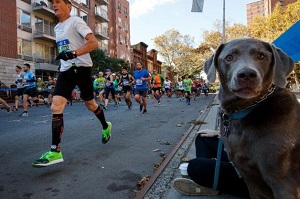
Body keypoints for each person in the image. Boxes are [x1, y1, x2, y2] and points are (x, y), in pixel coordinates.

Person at [32, 0, 111, 168]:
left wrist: (74, 54)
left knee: (89, 103)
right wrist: (64, 56)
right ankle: (55, 150)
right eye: (52, 2)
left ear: (68, 6)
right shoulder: (56, 27)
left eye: (58, 1)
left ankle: (105, 125)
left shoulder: (76, 21)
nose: (54, 4)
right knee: (56, 105)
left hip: (82, 69)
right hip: (66, 70)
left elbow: (94, 43)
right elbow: (65, 48)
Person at [172, 129, 250, 198]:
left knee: (194, 166)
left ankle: (206, 177)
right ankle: (207, 180)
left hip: (248, 173)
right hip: (241, 153)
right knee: (202, 138)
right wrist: (219, 133)